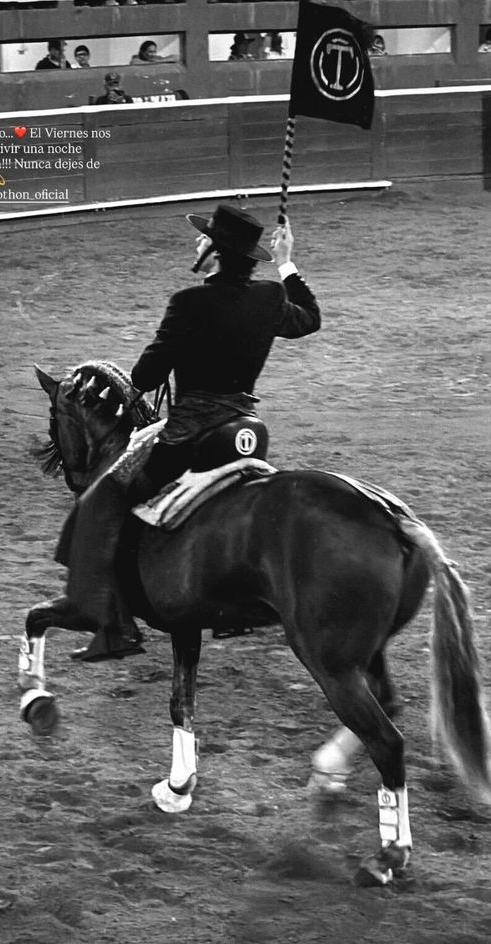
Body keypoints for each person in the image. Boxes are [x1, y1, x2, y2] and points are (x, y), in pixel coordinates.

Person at [60, 204, 320, 662]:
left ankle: (116, 626)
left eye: (204, 239)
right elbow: (310, 318)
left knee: (103, 500)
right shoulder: (269, 299)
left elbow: (145, 374)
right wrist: (286, 263)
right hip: (248, 430)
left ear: (216, 252)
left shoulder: (189, 302)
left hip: (190, 433)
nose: (197, 242)